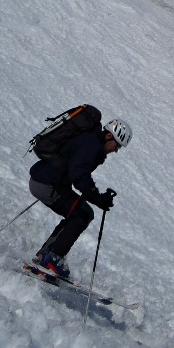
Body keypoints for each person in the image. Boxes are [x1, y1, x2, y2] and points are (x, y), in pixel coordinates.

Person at [29, 106, 132, 279]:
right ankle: (51, 258)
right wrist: (97, 198)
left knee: (81, 212)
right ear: (108, 136)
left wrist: (96, 197)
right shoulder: (91, 144)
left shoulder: (92, 143)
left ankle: (46, 256)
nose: (116, 150)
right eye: (117, 145)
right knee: (81, 215)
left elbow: (76, 170)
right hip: (46, 184)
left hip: (46, 181)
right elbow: (79, 174)